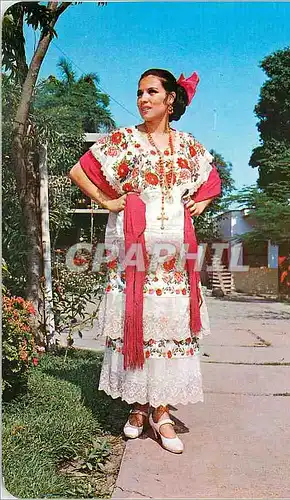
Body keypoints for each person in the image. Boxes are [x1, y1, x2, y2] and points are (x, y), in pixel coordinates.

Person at [69, 68, 221, 454]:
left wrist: (200, 203)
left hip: (174, 257)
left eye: (152, 92)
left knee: (168, 329)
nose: (143, 99)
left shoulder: (187, 145)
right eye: (139, 93)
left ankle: (162, 411)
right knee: (137, 323)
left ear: (171, 99)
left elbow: (210, 181)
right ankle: (138, 407)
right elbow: (79, 171)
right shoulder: (124, 140)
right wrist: (108, 201)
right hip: (133, 252)